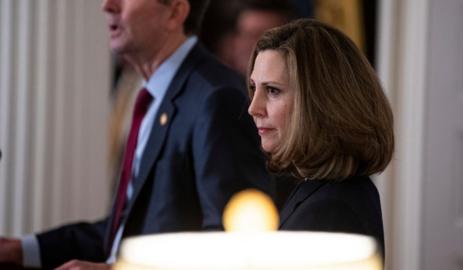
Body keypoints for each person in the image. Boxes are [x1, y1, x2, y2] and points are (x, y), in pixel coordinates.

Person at [0, 0, 271, 269]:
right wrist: (23, 249)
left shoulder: (215, 98)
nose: (107, 6)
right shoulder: (153, 95)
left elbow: (233, 244)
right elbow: (126, 232)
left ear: (175, 12)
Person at [247, 19, 394, 258]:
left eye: (273, 90)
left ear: (321, 103)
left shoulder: (331, 209)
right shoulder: (321, 188)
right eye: (254, 88)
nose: (254, 108)